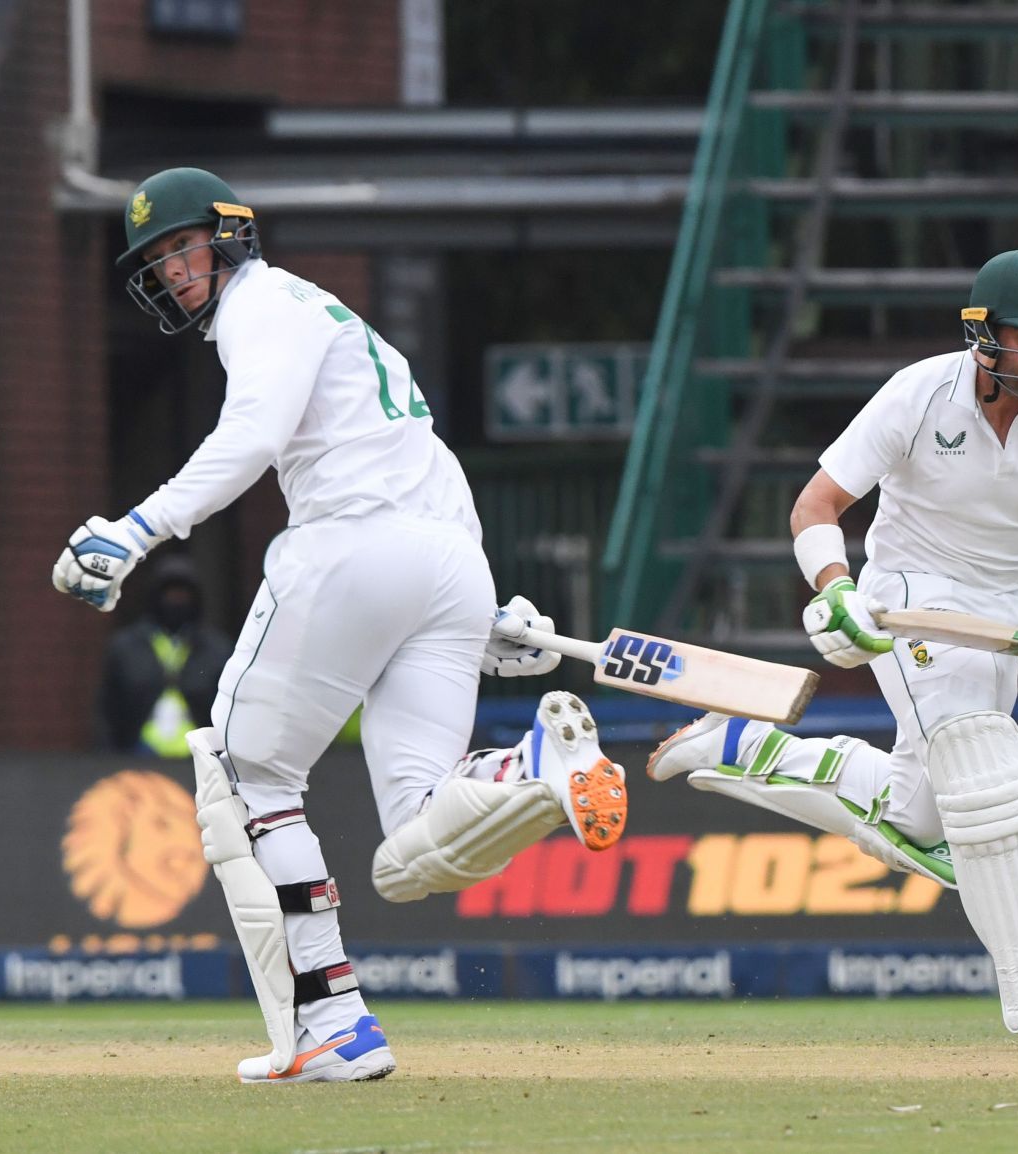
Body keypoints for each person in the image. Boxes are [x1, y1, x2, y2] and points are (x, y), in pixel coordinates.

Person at [53, 168, 630, 1083]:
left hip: (349, 545)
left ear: (230, 234)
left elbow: (249, 436)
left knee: (245, 771)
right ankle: (534, 767)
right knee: (412, 847)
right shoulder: (334, 321)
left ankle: (324, 1020)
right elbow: (425, 468)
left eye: (181, 246)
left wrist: (136, 529)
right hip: (445, 555)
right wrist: (480, 614)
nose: (172, 270)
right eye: (158, 260)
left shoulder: (261, 303)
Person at [646, 248, 1018, 1051]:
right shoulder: (919, 392)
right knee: (986, 768)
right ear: (984, 335)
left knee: (923, 817)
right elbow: (816, 506)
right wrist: (834, 587)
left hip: (1006, 610)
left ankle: (741, 748)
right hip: (908, 598)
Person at [97, 553, 233, 755]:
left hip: (200, 756)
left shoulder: (217, 649)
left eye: (182, 594)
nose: (176, 600)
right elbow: (107, 711)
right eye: (170, 593)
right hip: (139, 756)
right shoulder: (126, 647)